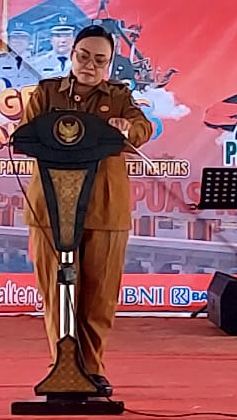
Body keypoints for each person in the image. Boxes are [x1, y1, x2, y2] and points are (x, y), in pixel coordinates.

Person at [19, 24, 153, 397]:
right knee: (56, 292)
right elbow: (27, 134)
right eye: (83, 56)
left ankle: (91, 369)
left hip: (104, 209)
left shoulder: (120, 97)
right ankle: (61, 367)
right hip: (51, 210)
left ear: (109, 65)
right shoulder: (47, 93)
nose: (89, 65)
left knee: (99, 296)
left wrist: (128, 127)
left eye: (99, 60)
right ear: (71, 55)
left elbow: (142, 128)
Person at [0, 22, 40, 90]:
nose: (18, 41)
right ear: (8, 40)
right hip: (6, 96)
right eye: (14, 37)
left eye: (23, 38)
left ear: (29, 41)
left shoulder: (38, 61)